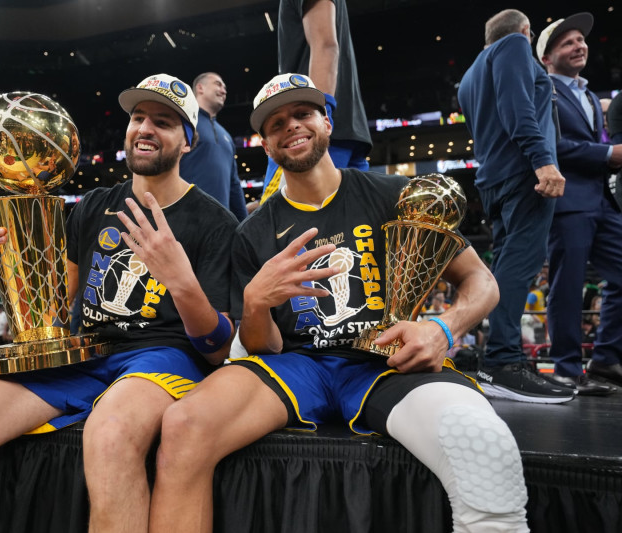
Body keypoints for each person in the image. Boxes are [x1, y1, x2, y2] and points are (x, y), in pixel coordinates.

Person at [149, 73, 530, 533]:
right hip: (295, 366)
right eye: (276, 123)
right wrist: (255, 304)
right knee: (184, 426)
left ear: (327, 122)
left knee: (480, 443)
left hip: (386, 364)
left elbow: (481, 281)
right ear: (265, 144)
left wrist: (442, 329)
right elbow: (262, 347)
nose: (291, 125)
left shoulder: (391, 194)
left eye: (302, 114)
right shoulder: (251, 233)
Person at [0, 73, 238, 533]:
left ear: (188, 142)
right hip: (84, 353)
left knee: (110, 433)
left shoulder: (216, 222)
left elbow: (219, 349)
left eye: (163, 121)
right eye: (138, 117)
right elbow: (59, 303)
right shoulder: (92, 205)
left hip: (164, 356)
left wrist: (181, 281)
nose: (145, 128)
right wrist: (2, 268)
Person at [457, 9, 574, 403]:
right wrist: (543, 160)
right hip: (523, 172)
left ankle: (494, 357)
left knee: (506, 262)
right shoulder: (515, 46)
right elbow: (518, 108)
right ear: (526, 32)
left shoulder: (471, 73)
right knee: (522, 260)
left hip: (493, 178)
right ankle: (503, 361)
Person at [536, 13, 622, 395]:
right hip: (570, 201)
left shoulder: (588, 94)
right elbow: (554, 147)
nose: (579, 45)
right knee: (567, 286)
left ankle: (604, 358)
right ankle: (568, 368)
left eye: (581, 41)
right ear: (547, 58)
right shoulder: (544, 90)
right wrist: (608, 153)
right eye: (567, 42)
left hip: (603, 200)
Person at [258, 0, 373, 206]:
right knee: (350, 228)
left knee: (276, 227)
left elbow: (325, 46)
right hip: (348, 130)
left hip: (309, 132)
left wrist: (320, 113)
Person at [179, 72, 248, 221]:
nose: (224, 91)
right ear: (200, 88)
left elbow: (234, 185)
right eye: (218, 84)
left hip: (220, 227)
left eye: (225, 88)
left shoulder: (227, 136)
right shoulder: (181, 124)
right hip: (184, 221)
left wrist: (245, 225)